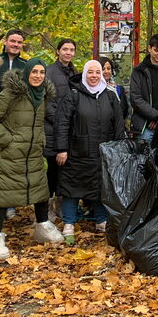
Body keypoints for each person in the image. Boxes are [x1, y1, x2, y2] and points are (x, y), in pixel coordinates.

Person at [0, 60, 64, 260]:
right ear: (27, 73)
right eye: (34, 71)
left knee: (40, 189)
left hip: (32, 153)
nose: (38, 76)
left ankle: (42, 226)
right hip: (7, 155)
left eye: (42, 72)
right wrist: (7, 140)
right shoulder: (12, 93)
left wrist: (40, 141)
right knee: (2, 194)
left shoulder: (42, 95)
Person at [55, 60, 125, 243]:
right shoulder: (74, 95)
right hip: (76, 152)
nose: (94, 76)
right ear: (85, 74)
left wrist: (118, 151)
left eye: (97, 72)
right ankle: (69, 223)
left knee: (99, 187)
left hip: (102, 152)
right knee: (71, 188)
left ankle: (101, 220)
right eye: (90, 72)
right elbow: (62, 123)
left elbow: (118, 124)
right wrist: (62, 148)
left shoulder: (110, 96)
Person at [44, 39, 78, 219]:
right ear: (58, 51)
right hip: (52, 129)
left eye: (71, 50)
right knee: (52, 169)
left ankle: (60, 205)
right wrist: (61, 120)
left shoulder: (74, 72)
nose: (68, 52)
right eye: (65, 49)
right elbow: (47, 102)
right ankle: (47, 207)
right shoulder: (49, 72)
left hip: (68, 130)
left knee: (65, 170)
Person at [99, 56, 130, 122]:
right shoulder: (92, 89)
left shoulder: (119, 89)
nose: (106, 71)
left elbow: (124, 110)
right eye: (103, 69)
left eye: (108, 68)